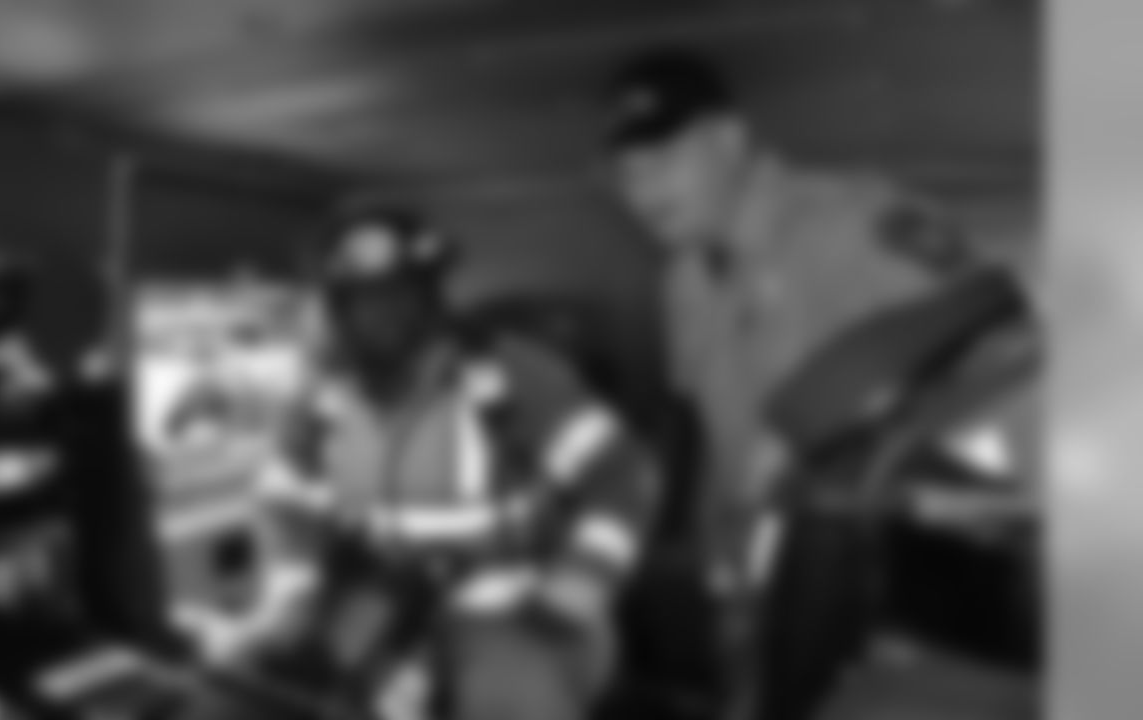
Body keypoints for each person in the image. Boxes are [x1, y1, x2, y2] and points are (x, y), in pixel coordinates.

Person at [601, 48, 977, 636]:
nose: (643, 190)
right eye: (627, 173)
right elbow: (714, 435)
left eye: (664, 157)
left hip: (897, 589)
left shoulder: (849, 222)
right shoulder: (682, 280)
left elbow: (992, 357)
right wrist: (716, 563)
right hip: (765, 591)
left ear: (729, 140)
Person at [244, 208, 660, 720]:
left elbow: (623, 473)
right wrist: (294, 595)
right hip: (383, 595)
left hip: (512, 604)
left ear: (431, 294)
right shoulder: (320, 397)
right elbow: (282, 498)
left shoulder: (509, 371)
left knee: (509, 703)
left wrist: (585, 575)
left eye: (397, 294)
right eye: (356, 300)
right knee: (272, 687)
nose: (378, 315)